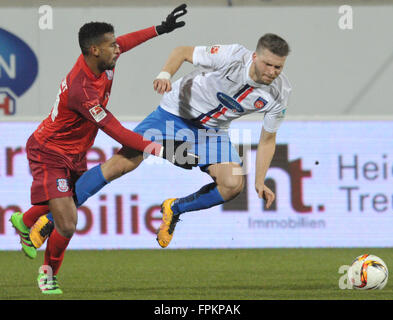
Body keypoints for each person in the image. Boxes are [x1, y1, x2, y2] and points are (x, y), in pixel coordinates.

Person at [25, 32, 291, 256]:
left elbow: (268, 139)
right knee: (120, 165)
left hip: (212, 131)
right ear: (255, 56)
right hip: (173, 114)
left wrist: (260, 180)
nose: (272, 72)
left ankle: (174, 209)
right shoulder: (233, 55)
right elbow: (183, 51)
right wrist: (165, 73)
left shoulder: (279, 93)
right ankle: (49, 219)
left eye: (278, 67)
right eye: (268, 64)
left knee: (233, 184)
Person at [9, 4, 194, 295]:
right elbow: (115, 130)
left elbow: (127, 42)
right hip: (50, 151)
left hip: (75, 153)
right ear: (95, 50)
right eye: (111, 46)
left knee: (64, 207)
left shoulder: (104, 61)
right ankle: (47, 274)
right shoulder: (81, 90)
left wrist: (161, 28)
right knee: (68, 222)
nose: (117, 49)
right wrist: (161, 151)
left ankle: (26, 220)